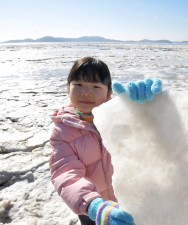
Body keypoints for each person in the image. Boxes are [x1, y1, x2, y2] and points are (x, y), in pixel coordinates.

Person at [48, 57, 161, 225]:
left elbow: (155, 134)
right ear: (68, 89)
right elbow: (65, 173)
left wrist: (148, 103)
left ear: (109, 93)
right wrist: (94, 205)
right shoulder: (63, 131)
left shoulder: (123, 114)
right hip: (93, 208)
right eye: (78, 84)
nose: (86, 92)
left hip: (130, 200)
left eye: (95, 86)